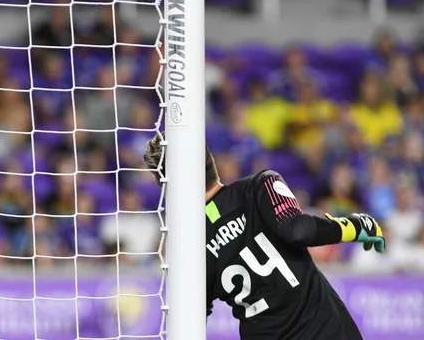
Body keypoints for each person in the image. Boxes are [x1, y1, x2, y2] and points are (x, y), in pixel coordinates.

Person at [143, 134, 385, 340]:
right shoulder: (260, 184)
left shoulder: (188, 245)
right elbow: (297, 229)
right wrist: (358, 225)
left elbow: (191, 321)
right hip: (323, 329)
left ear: (166, 185)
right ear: (209, 158)